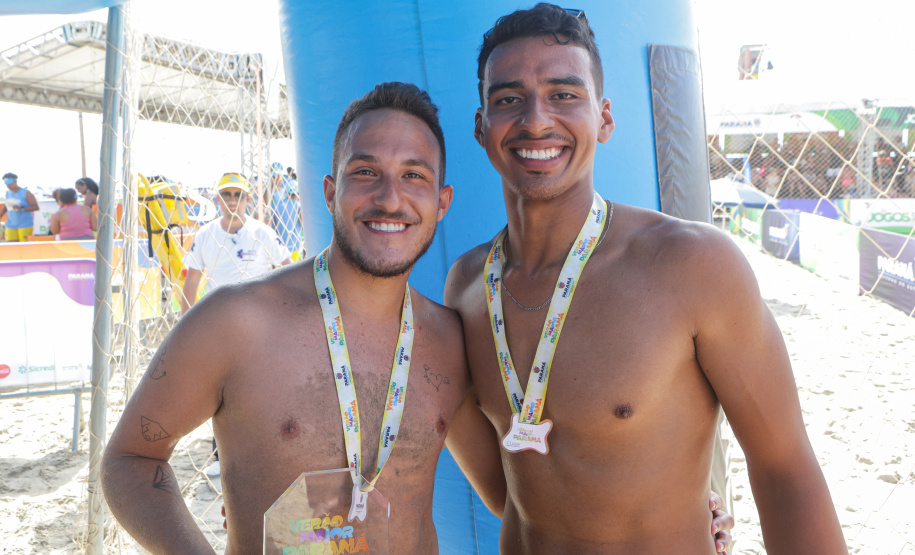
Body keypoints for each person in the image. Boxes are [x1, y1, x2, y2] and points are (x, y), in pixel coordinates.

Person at [443, 5, 845, 554]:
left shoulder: (691, 264)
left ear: (604, 119)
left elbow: (785, 471)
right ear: (481, 127)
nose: (536, 120)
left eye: (564, 94)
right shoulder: (468, 287)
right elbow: (512, 491)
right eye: (509, 99)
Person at [180, 172, 292, 315]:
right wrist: (185, 322)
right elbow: (192, 282)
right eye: (226, 195)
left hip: (257, 317)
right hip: (219, 317)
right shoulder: (204, 234)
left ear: (247, 199)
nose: (232, 201)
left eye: (238, 195)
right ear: (218, 199)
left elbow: (289, 270)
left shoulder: (263, 233)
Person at [1, 172, 39, 242]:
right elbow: (6, 206)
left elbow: (36, 207)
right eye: (6, 184)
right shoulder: (8, 193)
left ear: (15, 181)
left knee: (24, 246)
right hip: (10, 224)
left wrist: (21, 208)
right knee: (11, 246)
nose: (8, 186)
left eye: (10, 183)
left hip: (25, 224)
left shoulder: (26, 193)